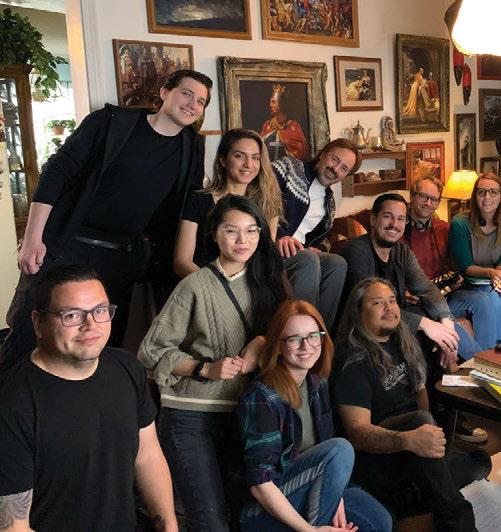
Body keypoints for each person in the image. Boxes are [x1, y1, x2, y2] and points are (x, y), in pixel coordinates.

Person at [1, 69, 212, 373]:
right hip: (66, 245)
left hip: (119, 260)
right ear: (165, 92)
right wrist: (34, 238)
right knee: (29, 334)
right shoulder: (111, 123)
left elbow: (189, 205)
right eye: (186, 94)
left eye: (201, 101)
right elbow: (57, 173)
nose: (192, 104)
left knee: (98, 347)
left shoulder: (192, 147)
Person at [139, 195, 289, 532]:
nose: (242, 240)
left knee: (245, 518)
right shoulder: (194, 285)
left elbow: (291, 337)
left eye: (251, 230)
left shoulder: (268, 281)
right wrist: (204, 368)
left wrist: (262, 342)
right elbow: (150, 352)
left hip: (244, 417)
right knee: (211, 522)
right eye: (231, 231)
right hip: (190, 417)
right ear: (214, 235)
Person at [0, 265, 176, 531]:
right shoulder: (12, 405)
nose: (91, 325)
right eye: (72, 315)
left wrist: (168, 524)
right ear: (38, 323)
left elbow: (147, 454)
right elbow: (13, 526)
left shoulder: (127, 368)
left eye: (100, 311)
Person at [332, 279, 482, 531]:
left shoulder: (400, 339)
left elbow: (419, 391)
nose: (389, 308)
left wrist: (427, 435)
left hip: (413, 450)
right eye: (377, 303)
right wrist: (410, 440)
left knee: (480, 461)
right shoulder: (352, 361)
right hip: (381, 456)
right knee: (420, 423)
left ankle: (409, 495)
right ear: (358, 312)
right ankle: (458, 520)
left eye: (392, 301)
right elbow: (357, 433)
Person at [236, 299, 391, 532]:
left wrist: (335, 494)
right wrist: (311, 530)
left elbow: (325, 455)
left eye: (313, 336)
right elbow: (261, 484)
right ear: (278, 345)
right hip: (266, 506)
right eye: (294, 339)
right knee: (341, 448)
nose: (305, 346)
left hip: (312, 483)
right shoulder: (261, 396)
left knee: (379, 522)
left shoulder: (317, 383)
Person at [340, 193, 481, 362]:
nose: (394, 224)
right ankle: (481, 367)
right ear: (373, 219)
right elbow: (369, 309)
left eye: (401, 219)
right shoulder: (356, 252)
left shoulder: (402, 252)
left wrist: (446, 321)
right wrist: (425, 324)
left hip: (396, 317)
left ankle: (483, 367)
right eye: (387, 216)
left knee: (443, 322)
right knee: (430, 322)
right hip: (365, 326)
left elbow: (427, 289)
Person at [271, 139, 360, 331]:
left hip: (297, 252)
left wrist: (317, 247)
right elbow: (259, 198)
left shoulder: (329, 202)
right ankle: (302, 331)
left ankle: (322, 333)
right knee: (309, 259)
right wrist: (279, 234)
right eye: (334, 159)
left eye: (344, 168)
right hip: (270, 247)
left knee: (338, 263)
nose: (335, 169)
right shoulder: (289, 167)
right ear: (323, 154)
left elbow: (322, 238)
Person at [174, 129, 283, 277]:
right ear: (223, 160)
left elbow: (266, 258)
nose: (249, 164)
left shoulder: (268, 203)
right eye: (239, 156)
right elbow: (181, 262)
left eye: (255, 158)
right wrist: (216, 286)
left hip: (250, 283)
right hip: (204, 282)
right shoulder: (198, 200)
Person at [449, 173, 501, 348]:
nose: (487, 197)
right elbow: (467, 267)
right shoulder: (460, 223)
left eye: (493, 192)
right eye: (481, 192)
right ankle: (498, 351)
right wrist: (492, 273)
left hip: (494, 279)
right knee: (493, 298)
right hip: (468, 283)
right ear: (475, 196)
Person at [261, 83, 309, 161]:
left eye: (273, 102)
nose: (270, 105)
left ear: (281, 103)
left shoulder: (294, 126)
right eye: (270, 102)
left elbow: (301, 152)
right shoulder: (267, 125)